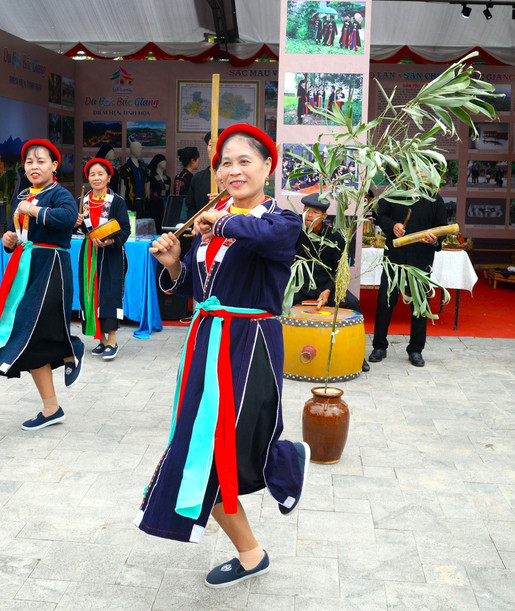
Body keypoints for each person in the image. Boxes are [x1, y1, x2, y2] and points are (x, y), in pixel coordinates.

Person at [139, 124, 309, 588]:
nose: (233, 170)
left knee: (214, 451)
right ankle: (253, 550)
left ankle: (282, 461)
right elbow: (200, 290)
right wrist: (175, 261)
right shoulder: (213, 220)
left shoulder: (280, 219)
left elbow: (269, 240)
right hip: (206, 340)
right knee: (205, 449)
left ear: (268, 167)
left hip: (249, 344)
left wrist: (222, 221)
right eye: (225, 163)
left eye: (244, 161)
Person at [0, 139, 84, 431]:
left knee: (30, 329)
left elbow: (68, 218)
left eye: (41, 161)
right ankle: (53, 403)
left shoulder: (59, 194)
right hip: (26, 268)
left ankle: (70, 349)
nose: (34, 167)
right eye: (29, 162)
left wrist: (34, 211)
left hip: (51, 268)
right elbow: (17, 232)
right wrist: (10, 242)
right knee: (28, 332)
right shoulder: (22, 195)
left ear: (54, 166)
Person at [368, 189, 447, 367]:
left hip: (421, 259)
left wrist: (434, 240)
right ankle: (379, 346)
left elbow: (442, 228)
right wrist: (392, 225)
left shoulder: (434, 198)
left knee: (419, 304)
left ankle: (416, 350)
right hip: (394, 258)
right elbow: (378, 215)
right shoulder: (395, 193)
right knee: (384, 301)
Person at [294, 192, 370, 373]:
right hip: (302, 286)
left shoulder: (334, 237)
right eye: (306, 210)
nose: (309, 215)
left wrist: (328, 290)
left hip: (328, 287)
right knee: (282, 302)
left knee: (352, 303)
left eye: (314, 212)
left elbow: (340, 270)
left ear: (324, 216)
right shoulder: (295, 233)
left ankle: (359, 354)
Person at [77, 158, 131, 360]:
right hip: (90, 254)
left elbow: (125, 229)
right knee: (90, 294)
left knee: (109, 293)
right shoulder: (82, 201)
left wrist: (110, 242)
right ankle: (100, 340)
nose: (96, 178)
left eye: (100, 174)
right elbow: (77, 228)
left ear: (109, 177)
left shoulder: (117, 202)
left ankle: (113, 340)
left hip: (111, 255)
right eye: (92, 174)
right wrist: (76, 222)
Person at [149, 154, 170, 230]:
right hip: (156, 204)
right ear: (157, 162)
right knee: (157, 221)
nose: (164, 163)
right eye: (162, 161)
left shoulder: (167, 178)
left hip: (165, 203)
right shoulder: (151, 178)